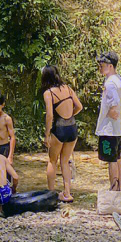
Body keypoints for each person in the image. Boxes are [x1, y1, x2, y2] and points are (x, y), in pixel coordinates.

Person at [41, 65, 83, 203]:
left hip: (59, 129)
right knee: (65, 161)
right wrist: (70, 116)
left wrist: (47, 135)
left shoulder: (48, 93)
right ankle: (67, 194)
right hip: (72, 128)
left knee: (52, 161)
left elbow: (49, 115)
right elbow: (79, 106)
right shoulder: (68, 88)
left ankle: (51, 194)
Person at [95, 51, 121, 192]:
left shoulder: (110, 83)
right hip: (119, 127)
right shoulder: (118, 79)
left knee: (111, 160)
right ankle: (120, 188)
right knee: (117, 157)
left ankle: (113, 189)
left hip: (109, 128)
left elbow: (114, 102)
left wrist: (113, 110)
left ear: (110, 66)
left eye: (101, 65)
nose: (100, 67)